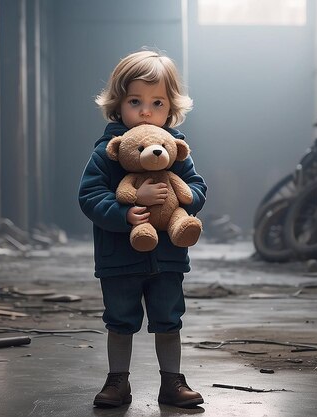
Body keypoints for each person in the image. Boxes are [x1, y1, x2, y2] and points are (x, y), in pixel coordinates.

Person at [78, 49, 207, 409]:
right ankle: (117, 381)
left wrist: (181, 203)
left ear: (171, 109)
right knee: (120, 319)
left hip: (167, 258)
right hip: (119, 258)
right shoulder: (108, 152)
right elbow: (89, 196)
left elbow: (197, 188)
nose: (146, 111)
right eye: (136, 101)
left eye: (157, 102)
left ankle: (173, 382)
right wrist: (126, 212)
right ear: (118, 106)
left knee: (169, 319)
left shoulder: (176, 150)